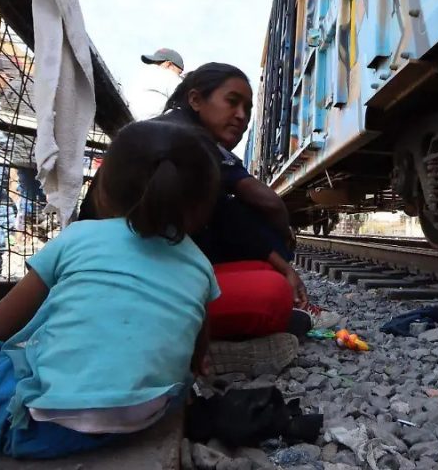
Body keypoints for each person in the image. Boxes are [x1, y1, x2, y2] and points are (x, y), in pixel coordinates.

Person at [0, 120, 228, 459]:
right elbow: (197, 353)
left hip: (39, 427)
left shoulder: (79, 236)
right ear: (201, 209)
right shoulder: (200, 265)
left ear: (102, 191)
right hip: (145, 412)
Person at [78, 62, 337, 374]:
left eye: (247, 109)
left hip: (137, 278)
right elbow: (266, 203)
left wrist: (282, 266)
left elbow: (227, 216)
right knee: (272, 292)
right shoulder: (190, 144)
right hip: (134, 291)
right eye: (232, 102)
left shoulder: (170, 131)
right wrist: (285, 243)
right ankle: (203, 351)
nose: (242, 116)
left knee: (266, 271)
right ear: (196, 100)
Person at [131, 47, 184, 120]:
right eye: (179, 72)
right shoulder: (169, 75)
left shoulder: (143, 74)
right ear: (169, 64)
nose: (179, 76)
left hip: (130, 119)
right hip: (150, 123)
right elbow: (185, 102)